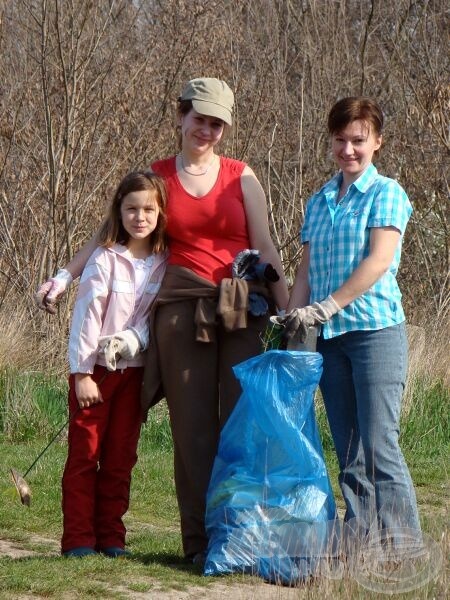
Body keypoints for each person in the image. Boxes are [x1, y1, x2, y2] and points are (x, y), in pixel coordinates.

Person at [36, 77, 289, 564]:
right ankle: (200, 546)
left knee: (241, 424)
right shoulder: (157, 178)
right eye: (200, 119)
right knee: (193, 431)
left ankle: (240, 542)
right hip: (180, 313)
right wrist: (63, 277)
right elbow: (107, 233)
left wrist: (286, 306)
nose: (207, 130)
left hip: (243, 308)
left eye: (217, 123)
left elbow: (267, 244)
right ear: (181, 117)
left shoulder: (243, 176)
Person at [276, 97, 421, 552]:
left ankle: (404, 550)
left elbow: (378, 261)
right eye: (340, 140)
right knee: (350, 452)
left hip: (375, 333)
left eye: (358, 140)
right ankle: (361, 549)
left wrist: (327, 306)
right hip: (329, 340)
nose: (349, 149)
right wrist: (294, 321)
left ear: (377, 141)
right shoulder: (318, 201)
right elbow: (306, 272)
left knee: (380, 448)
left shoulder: (387, 193)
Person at [61, 171, 168, 558]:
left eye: (148, 210)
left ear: (160, 214)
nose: (140, 217)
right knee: (86, 455)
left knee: (121, 457)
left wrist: (133, 340)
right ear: (119, 212)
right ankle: (78, 539)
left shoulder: (163, 262)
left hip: (135, 375)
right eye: (131, 209)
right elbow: (86, 318)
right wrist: (82, 374)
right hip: (97, 374)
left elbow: (155, 317)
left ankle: (111, 537)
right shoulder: (105, 259)